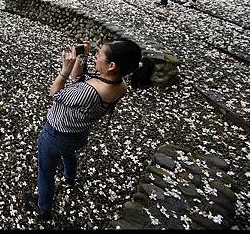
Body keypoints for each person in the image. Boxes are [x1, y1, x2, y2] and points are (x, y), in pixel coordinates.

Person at [23, 39, 154, 220]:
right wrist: (80, 59)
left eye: (99, 54)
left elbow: (55, 93)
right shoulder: (120, 84)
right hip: (79, 133)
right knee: (69, 153)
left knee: (46, 172)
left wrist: (64, 70)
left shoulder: (88, 92)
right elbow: (79, 79)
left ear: (112, 65)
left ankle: (43, 208)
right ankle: (70, 177)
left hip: (55, 135)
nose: (96, 56)